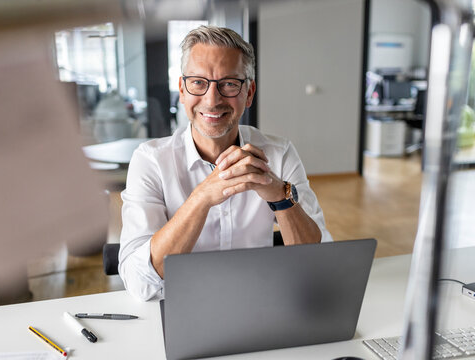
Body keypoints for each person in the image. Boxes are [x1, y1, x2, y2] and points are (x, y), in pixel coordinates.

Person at [119, 25, 332, 301]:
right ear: (182, 90)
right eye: (198, 82)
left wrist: (280, 196)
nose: (212, 99)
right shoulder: (150, 160)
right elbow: (139, 283)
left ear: (250, 92)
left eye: (229, 84)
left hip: (260, 302)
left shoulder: (279, 154)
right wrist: (201, 198)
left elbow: (320, 263)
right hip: (180, 307)